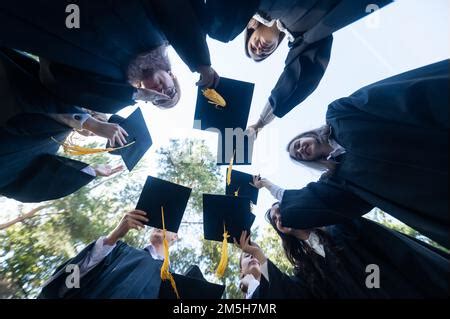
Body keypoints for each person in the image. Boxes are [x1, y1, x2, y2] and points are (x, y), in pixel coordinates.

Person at [284, 60, 449, 247]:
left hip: (435, 141)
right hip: (435, 191)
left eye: (297, 144)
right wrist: (282, 208)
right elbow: (323, 203)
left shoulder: (340, 114)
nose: (300, 150)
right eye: (298, 155)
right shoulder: (340, 178)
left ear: (306, 135)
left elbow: (394, 98)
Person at [0, 0, 219, 119]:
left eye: (158, 99)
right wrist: (202, 62)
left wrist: (133, 94)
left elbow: (58, 80)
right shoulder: (162, 35)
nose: (161, 93)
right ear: (173, 77)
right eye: (170, 92)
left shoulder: (112, 84)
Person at [203, 0, 392, 134]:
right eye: (262, 55)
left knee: (220, 30)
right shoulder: (306, 34)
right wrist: (260, 123)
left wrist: (201, 63)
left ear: (252, 29)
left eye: (252, 46)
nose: (259, 50)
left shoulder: (260, 6)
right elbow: (296, 79)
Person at [236, 203, 449, 298]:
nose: (279, 217)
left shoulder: (342, 227)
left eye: (281, 210)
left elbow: (390, 248)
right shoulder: (306, 271)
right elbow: (290, 294)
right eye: (275, 219)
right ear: (281, 231)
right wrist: (259, 256)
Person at [0, 49, 124, 203]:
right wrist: (89, 122)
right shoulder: (53, 88)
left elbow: (31, 181)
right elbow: (23, 101)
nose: (95, 128)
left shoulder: (53, 141)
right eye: (93, 113)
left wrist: (92, 170)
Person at [39, 210, 176, 298]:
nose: (160, 225)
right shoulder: (118, 250)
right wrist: (113, 237)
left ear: (175, 237)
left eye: (167, 224)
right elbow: (70, 282)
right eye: (158, 223)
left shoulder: (173, 284)